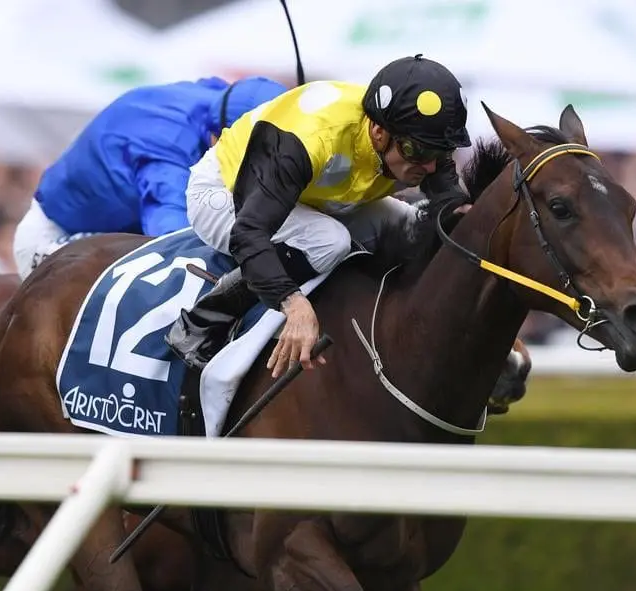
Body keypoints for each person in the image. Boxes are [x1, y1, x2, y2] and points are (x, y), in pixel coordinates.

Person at [166, 54, 472, 377]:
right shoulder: (310, 138)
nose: (429, 167)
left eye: (442, 153)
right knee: (330, 241)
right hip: (226, 192)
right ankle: (202, 323)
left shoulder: (416, 139)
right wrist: (292, 303)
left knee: (412, 226)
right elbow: (249, 231)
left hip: (311, 197)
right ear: (379, 132)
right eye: (418, 152)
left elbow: (451, 206)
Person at [12, 76, 288, 280]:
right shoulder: (167, 153)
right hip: (55, 238)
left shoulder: (226, 100)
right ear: (220, 138)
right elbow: (175, 242)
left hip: (122, 228)